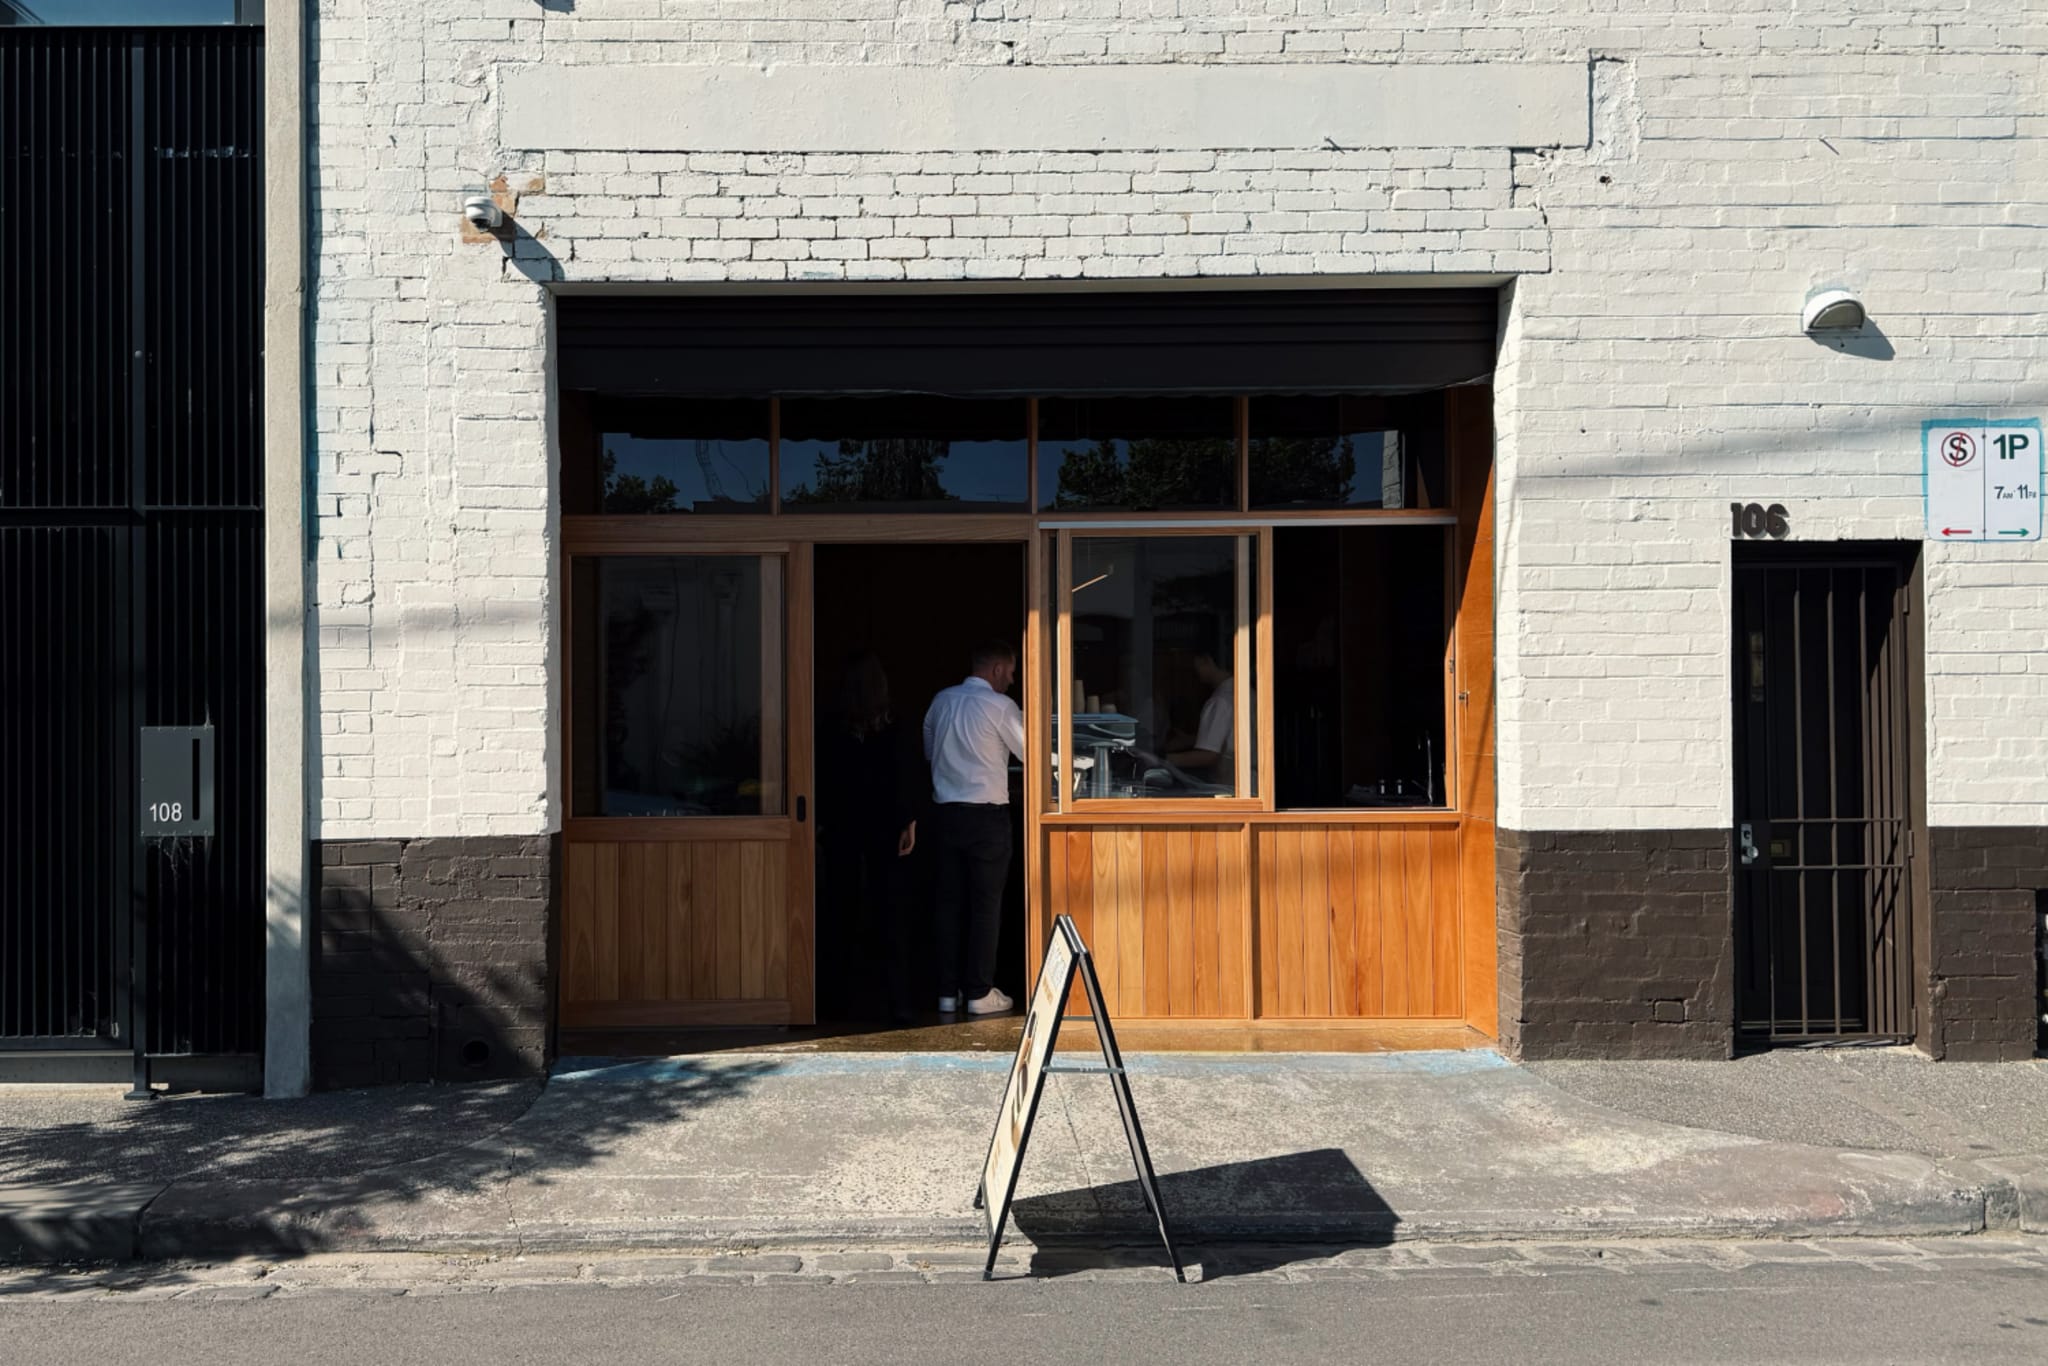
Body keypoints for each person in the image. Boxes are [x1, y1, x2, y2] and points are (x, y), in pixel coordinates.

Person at [922, 640, 1025, 1016]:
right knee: (986, 906)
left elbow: (930, 753)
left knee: (948, 905)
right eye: (1011, 672)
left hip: (946, 815)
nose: (1013, 680)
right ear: (997, 669)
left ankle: (947, 993)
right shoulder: (1000, 706)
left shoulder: (941, 701)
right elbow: (1030, 754)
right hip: (987, 819)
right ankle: (979, 992)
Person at [817, 651, 921, 1021]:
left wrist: (819, 823)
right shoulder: (893, 723)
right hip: (884, 826)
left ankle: (835, 1000)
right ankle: (899, 1001)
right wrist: (908, 821)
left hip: (843, 825)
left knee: (840, 910)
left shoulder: (833, 724)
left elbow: (824, 777)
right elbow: (905, 774)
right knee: (891, 912)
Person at [1165, 646, 1234, 786]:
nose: (1194, 670)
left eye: (1195, 663)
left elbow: (1208, 756)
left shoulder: (1220, 700)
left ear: (1206, 660)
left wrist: (1164, 760)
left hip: (1230, 783)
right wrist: (1191, 740)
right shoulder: (1245, 692)